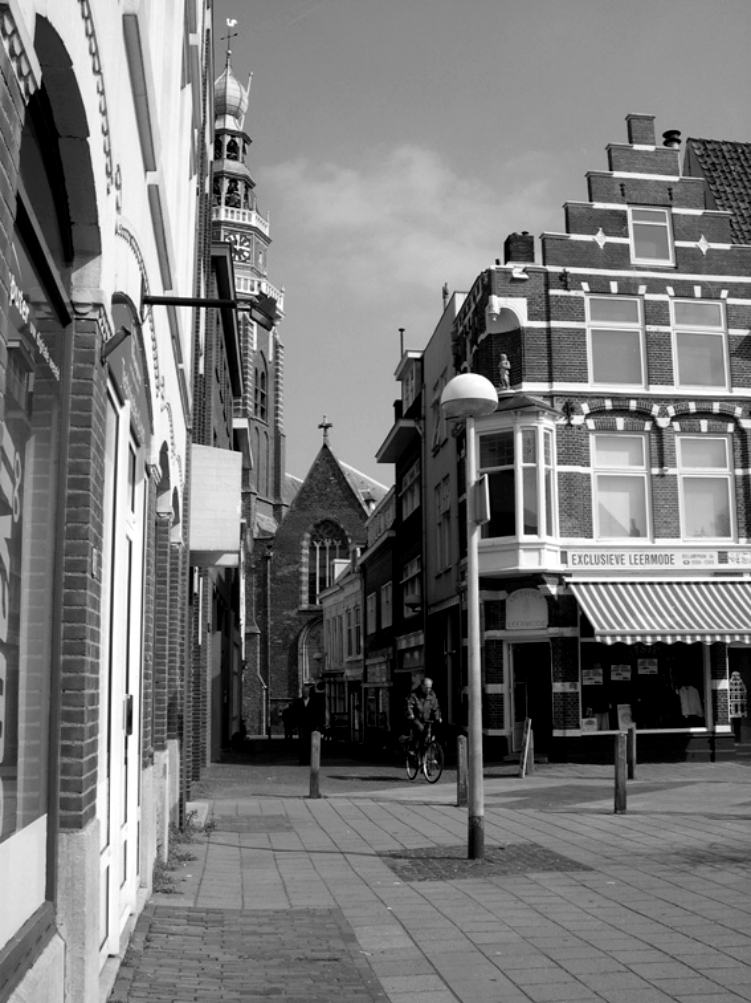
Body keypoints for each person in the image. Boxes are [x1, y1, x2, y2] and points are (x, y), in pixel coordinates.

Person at [405, 676, 442, 755]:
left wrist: (438, 717)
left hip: (426, 718)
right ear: (421, 686)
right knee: (420, 728)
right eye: (426, 688)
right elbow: (409, 706)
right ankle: (413, 748)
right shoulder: (414, 695)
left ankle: (430, 752)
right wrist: (411, 714)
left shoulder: (432, 695)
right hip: (416, 718)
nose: (428, 690)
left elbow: (436, 708)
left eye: (430, 688)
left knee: (432, 731)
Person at [294, 684, 324, 764]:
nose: (305, 693)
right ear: (302, 692)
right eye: (304, 692)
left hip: (311, 725)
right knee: (302, 743)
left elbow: (318, 714)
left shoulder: (315, 702)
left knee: (310, 742)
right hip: (302, 726)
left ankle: (310, 759)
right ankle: (302, 759)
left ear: (309, 692)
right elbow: (295, 714)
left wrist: (318, 725)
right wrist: (295, 725)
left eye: (307, 692)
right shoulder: (298, 702)